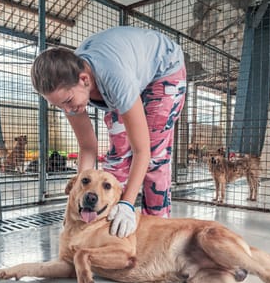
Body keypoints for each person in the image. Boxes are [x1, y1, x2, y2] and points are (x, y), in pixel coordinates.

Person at [31, 26, 187, 238]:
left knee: (154, 155)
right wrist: (76, 199)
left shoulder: (115, 78)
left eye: (68, 102)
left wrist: (127, 205)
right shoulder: (67, 89)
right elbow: (88, 148)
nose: (67, 111)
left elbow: (142, 151)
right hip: (127, 72)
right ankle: (108, 229)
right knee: (117, 155)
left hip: (164, 70)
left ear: (84, 79)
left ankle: (157, 232)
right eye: (59, 106)